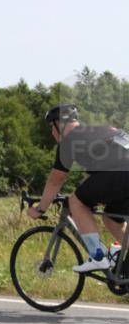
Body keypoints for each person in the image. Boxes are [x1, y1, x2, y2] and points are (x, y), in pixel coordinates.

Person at [26, 105, 129, 273]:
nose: (52, 132)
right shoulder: (97, 131)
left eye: (51, 127)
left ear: (59, 124)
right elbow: (92, 178)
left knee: (76, 201)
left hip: (120, 173)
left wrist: (40, 209)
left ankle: (97, 257)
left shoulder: (69, 140)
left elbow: (55, 180)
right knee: (111, 218)